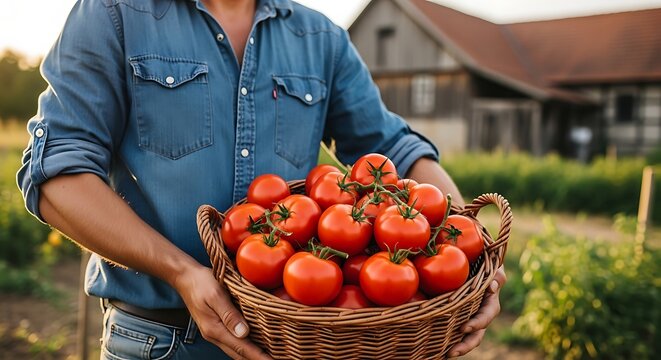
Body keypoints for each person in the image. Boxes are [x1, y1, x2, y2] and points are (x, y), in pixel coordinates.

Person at [17, 0, 506, 358]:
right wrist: (183, 273)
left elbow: (398, 153)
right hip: (161, 341)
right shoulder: (114, 14)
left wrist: (468, 257)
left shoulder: (320, 39)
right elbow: (57, 172)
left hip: (297, 343)